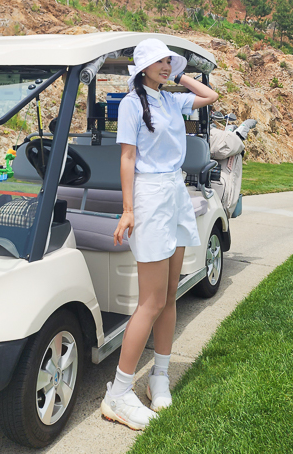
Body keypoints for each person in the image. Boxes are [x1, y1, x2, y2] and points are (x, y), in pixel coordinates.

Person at [100, 39, 218, 430]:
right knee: (149, 302)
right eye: (159, 61)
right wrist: (129, 210)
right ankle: (117, 393)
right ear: (142, 67)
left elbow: (210, 94)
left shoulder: (171, 100)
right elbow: (127, 158)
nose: (165, 66)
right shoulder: (132, 104)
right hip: (150, 196)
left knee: (170, 294)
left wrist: (180, 74)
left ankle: (160, 376)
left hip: (175, 191)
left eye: (168, 60)